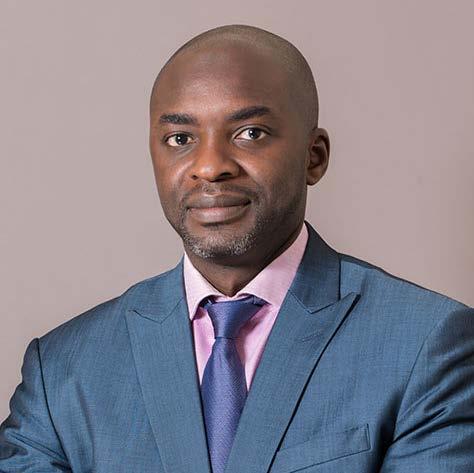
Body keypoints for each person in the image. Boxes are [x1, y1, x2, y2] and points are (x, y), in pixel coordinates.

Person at [1, 24, 473, 473]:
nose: (209, 167)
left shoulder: (428, 346)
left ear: (314, 157)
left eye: (250, 133)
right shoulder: (62, 371)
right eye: (180, 139)